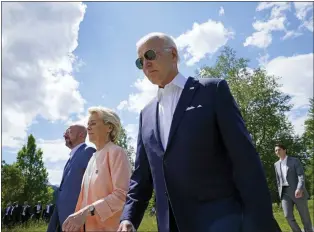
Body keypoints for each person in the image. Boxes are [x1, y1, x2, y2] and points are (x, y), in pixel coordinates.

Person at [118, 32, 279, 232]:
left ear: (174, 55)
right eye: (139, 61)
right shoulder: (146, 114)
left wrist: (258, 222)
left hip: (223, 222)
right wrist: (129, 218)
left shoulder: (213, 90)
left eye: (150, 55)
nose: (145, 64)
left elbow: (245, 160)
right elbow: (142, 177)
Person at [62, 107, 131, 232]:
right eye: (88, 124)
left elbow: (122, 195)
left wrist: (87, 211)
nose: (88, 128)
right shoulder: (92, 158)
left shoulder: (117, 153)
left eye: (93, 124)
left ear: (109, 127)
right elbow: (83, 202)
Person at [47, 125, 95, 232]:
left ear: (81, 134)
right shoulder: (70, 159)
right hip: (62, 220)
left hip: (78, 221)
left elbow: (95, 187)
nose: (65, 135)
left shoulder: (88, 152)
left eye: (70, 132)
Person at [274, 143, 313, 232]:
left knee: (304, 216)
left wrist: (299, 188)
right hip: (285, 193)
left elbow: (301, 175)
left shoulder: (294, 161)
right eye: (275, 150)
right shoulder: (276, 164)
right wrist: (279, 191)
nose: (277, 152)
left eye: (279, 149)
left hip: (298, 191)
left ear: (284, 150)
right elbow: (278, 180)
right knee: (287, 215)